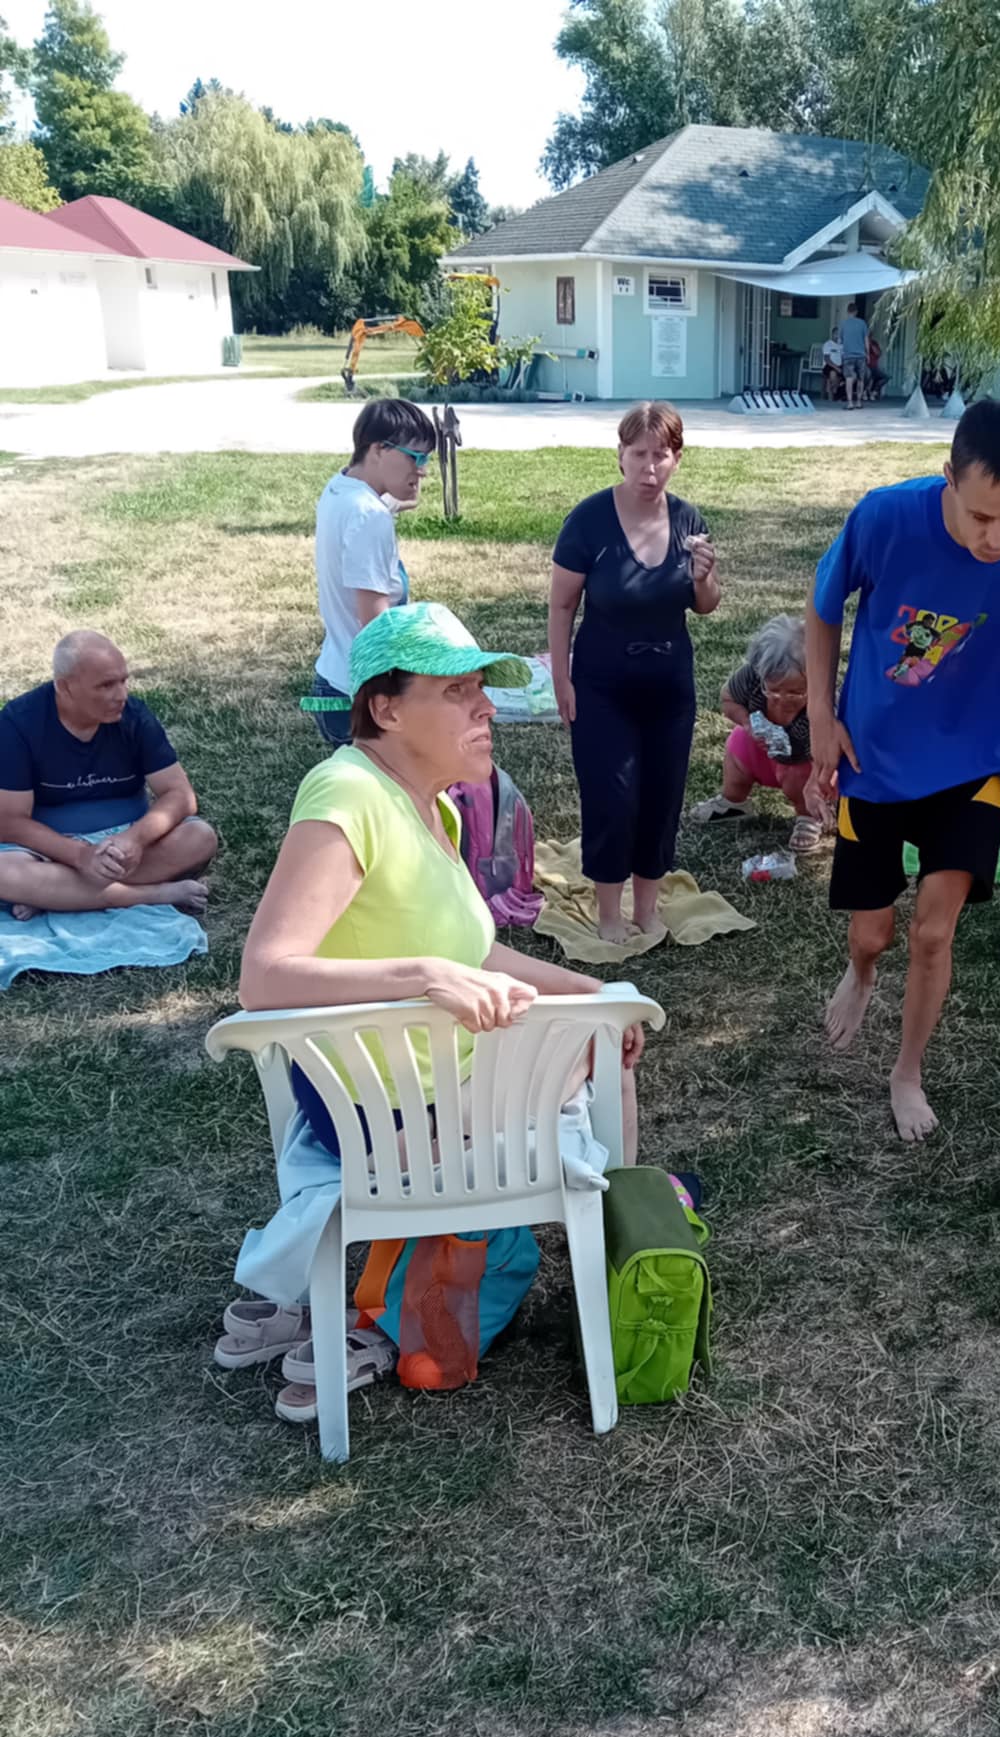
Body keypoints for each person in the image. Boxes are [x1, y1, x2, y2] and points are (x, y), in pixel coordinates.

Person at [241, 602, 647, 1417]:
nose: (486, 707)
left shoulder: (439, 805)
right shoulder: (346, 791)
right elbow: (264, 977)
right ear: (386, 709)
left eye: (482, 689)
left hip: (441, 1087)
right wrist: (426, 975)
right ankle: (614, 1270)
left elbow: (476, 954)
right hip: (382, 1113)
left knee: (606, 1033)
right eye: (459, 690)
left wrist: (594, 993)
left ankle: (359, 1301)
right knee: (595, 1058)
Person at [805, 399, 1000, 1143]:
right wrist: (820, 715)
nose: (998, 538)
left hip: (974, 760)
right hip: (874, 758)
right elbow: (823, 608)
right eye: (981, 517)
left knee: (934, 933)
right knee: (874, 934)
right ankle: (861, 973)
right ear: (949, 478)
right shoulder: (884, 518)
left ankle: (906, 1071)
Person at [548, 402, 721, 946]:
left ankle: (647, 909)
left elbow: (706, 606)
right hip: (602, 685)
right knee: (611, 797)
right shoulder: (589, 520)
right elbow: (561, 605)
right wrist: (561, 679)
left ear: (677, 458)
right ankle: (608, 912)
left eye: (660, 455)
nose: (649, 467)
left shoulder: (688, 520)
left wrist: (705, 577)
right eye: (639, 454)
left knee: (661, 797)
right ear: (620, 454)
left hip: (669, 687)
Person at [0, 631, 216, 920]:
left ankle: (57, 894)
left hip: (125, 841)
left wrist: (135, 839)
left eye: (123, 681)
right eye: (106, 685)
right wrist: (79, 856)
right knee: (5, 872)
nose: (121, 695)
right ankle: (152, 894)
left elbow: (181, 795)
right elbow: (9, 822)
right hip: (50, 846)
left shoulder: (135, 716)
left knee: (200, 837)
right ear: (65, 687)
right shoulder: (18, 722)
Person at [310, 397, 436, 746]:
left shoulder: (340, 489)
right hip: (362, 697)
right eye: (415, 457)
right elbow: (374, 624)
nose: (423, 470)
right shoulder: (370, 517)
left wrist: (409, 480)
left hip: (333, 679)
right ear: (379, 449)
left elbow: (403, 500)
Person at [688, 613, 821, 853]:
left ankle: (808, 816)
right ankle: (733, 801)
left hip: (807, 758)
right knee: (737, 744)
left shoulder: (822, 697)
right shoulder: (751, 678)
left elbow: (830, 744)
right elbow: (727, 700)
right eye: (774, 690)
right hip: (761, 750)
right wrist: (748, 724)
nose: (782, 699)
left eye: (796, 692)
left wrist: (817, 780)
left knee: (799, 777)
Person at [838, 302, 870, 410]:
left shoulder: (843, 324)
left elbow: (840, 340)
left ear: (847, 311)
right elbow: (866, 340)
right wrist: (868, 353)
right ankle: (859, 402)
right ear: (856, 312)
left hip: (848, 355)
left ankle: (850, 403)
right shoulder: (862, 323)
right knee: (861, 379)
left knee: (849, 378)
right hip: (861, 355)